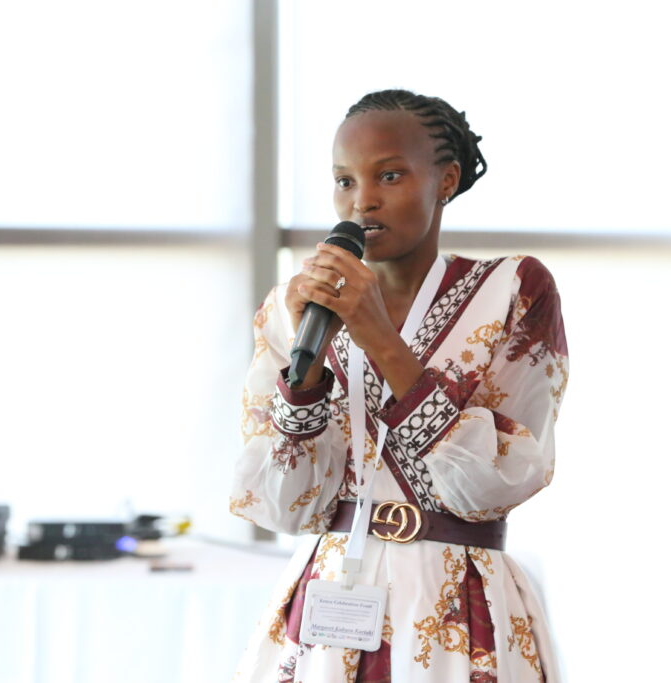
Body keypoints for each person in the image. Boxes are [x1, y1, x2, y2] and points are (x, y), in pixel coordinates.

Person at [230, 89, 568, 682]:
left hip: (459, 602)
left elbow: (500, 482)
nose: (362, 201)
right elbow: (284, 505)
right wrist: (304, 375)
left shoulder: (514, 289)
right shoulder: (291, 310)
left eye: (389, 175)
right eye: (343, 181)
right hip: (329, 600)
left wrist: (379, 336)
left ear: (446, 180)